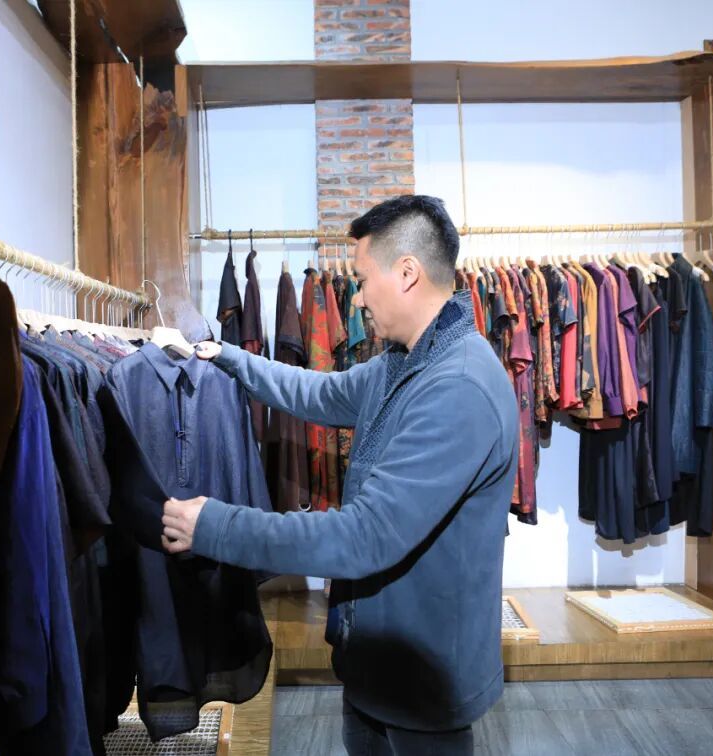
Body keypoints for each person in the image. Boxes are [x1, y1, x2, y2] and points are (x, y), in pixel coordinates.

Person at [161, 195, 518, 755]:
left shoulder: (459, 387)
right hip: (377, 659)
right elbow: (318, 392)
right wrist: (227, 356)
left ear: (407, 273)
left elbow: (364, 536)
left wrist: (215, 526)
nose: (358, 296)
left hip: (423, 680)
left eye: (363, 278)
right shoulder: (403, 362)